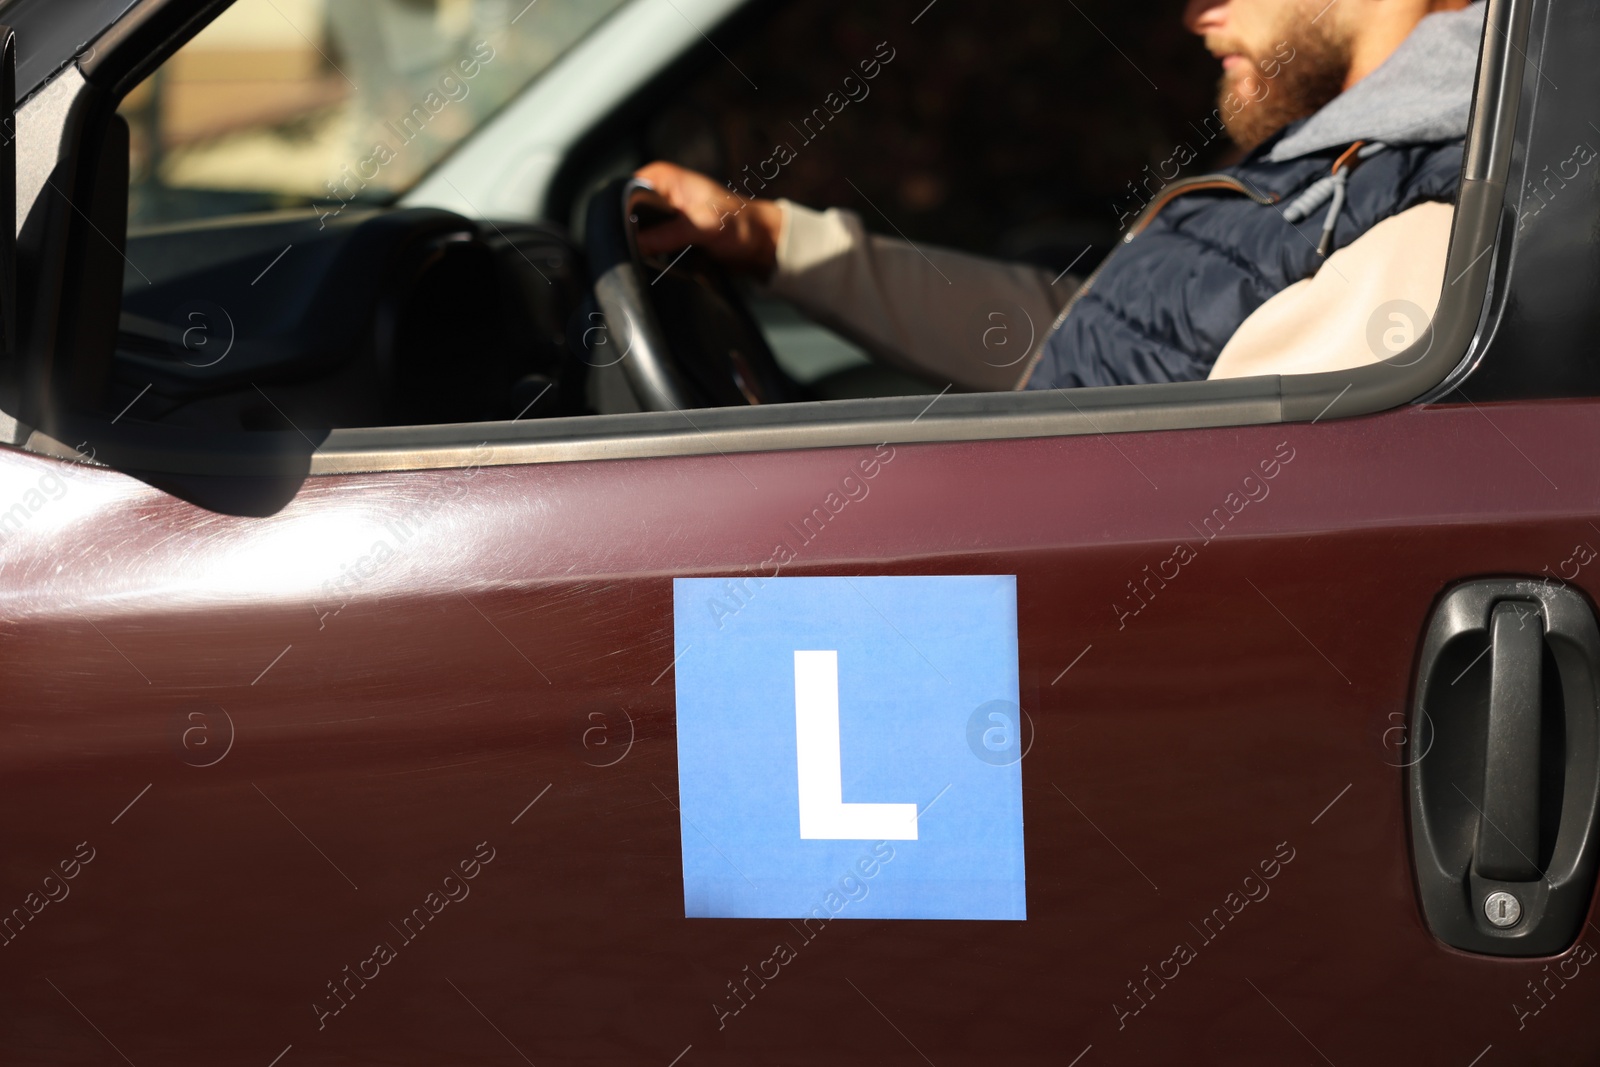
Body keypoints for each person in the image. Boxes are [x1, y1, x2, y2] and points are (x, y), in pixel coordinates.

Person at [633, 0, 1485, 393]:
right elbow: (1087, 338)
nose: (1196, 13)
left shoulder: (1421, 217)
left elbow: (1204, 504)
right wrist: (775, 239)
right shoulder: (1329, 161)